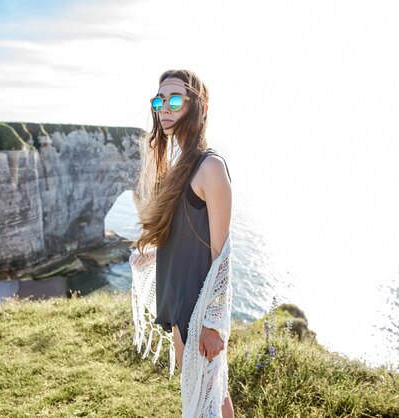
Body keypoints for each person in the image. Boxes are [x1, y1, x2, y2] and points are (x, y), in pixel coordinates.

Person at [130, 69, 234, 417]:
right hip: (179, 300)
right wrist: (152, 253)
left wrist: (213, 323)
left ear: (200, 106)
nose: (164, 108)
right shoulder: (180, 164)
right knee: (208, 395)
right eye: (159, 101)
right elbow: (184, 234)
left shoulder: (211, 167)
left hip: (198, 308)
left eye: (175, 99)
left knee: (210, 395)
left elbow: (222, 254)